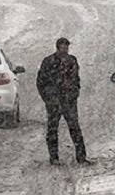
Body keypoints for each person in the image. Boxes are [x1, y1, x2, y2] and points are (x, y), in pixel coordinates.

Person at [36, 37, 91, 166]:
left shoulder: (72, 61)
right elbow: (40, 81)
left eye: (66, 47)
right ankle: (54, 158)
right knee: (52, 129)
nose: (65, 50)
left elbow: (76, 79)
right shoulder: (48, 61)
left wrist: (74, 93)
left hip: (69, 100)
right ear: (57, 48)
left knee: (74, 128)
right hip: (54, 101)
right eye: (62, 47)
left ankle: (81, 157)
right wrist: (48, 98)